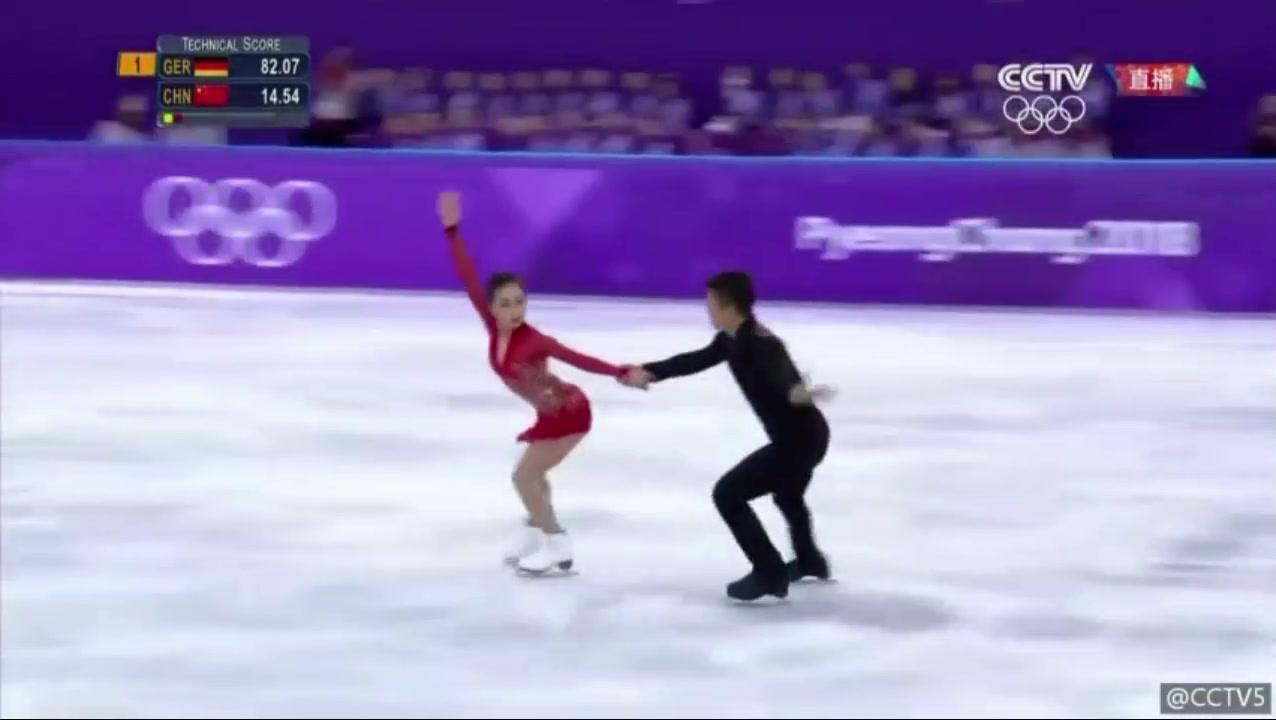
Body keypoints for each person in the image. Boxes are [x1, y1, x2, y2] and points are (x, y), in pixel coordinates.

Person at [437, 191, 632, 574]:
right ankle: (534, 529)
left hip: (570, 412)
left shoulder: (535, 340)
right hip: (548, 414)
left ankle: (557, 541)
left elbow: (577, 358)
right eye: (506, 304)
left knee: (523, 477)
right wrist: (452, 231)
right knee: (535, 477)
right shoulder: (493, 327)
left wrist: (619, 371)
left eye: (520, 302)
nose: (514, 311)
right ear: (492, 308)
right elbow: (468, 275)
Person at [622, 272, 833, 601]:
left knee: (728, 494)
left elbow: (783, 382)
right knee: (787, 494)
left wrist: (797, 393)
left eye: (710, 302)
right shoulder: (730, 339)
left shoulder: (762, 344)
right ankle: (810, 561)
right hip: (803, 437)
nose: (707, 309)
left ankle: (769, 572)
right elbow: (694, 360)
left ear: (728, 305)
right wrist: (649, 371)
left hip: (799, 441)